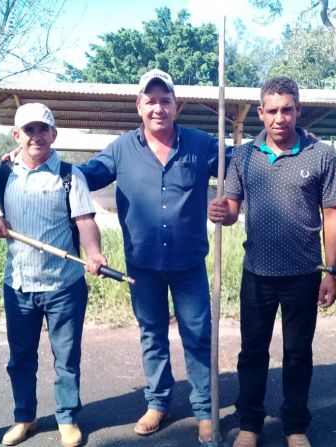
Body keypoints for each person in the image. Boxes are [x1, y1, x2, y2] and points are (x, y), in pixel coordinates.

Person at [74, 69, 220, 442]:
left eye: (165, 100)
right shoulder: (121, 149)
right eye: (150, 101)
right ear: (139, 106)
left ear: (177, 105)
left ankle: (205, 409)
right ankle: (158, 402)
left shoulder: (202, 144)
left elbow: (245, 161)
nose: (158, 108)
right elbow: (83, 176)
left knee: (198, 335)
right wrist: (35, 162)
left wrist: (296, 139)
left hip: (189, 264)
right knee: (152, 334)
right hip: (143, 265)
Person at [208, 76, 336, 447]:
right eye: (272, 110)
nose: (280, 118)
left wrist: (331, 271)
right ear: (260, 112)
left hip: (304, 274)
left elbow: (333, 213)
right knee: (252, 352)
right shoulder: (244, 156)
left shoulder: (321, 154)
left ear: (299, 110)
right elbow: (233, 209)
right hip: (257, 274)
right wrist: (222, 210)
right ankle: (250, 423)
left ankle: (294, 425)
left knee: (298, 352)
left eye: (288, 109)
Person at [0, 103, 107, 447]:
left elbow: (85, 222)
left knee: (66, 358)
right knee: (20, 358)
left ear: (53, 134)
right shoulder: (1, 173)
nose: (36, 136)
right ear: (16, 135)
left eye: (42, 129)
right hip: (18, 285)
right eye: (28, 130)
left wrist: (93, 254)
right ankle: (25, 418)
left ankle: (67, 418)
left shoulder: (69, 174)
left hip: (64, 286)